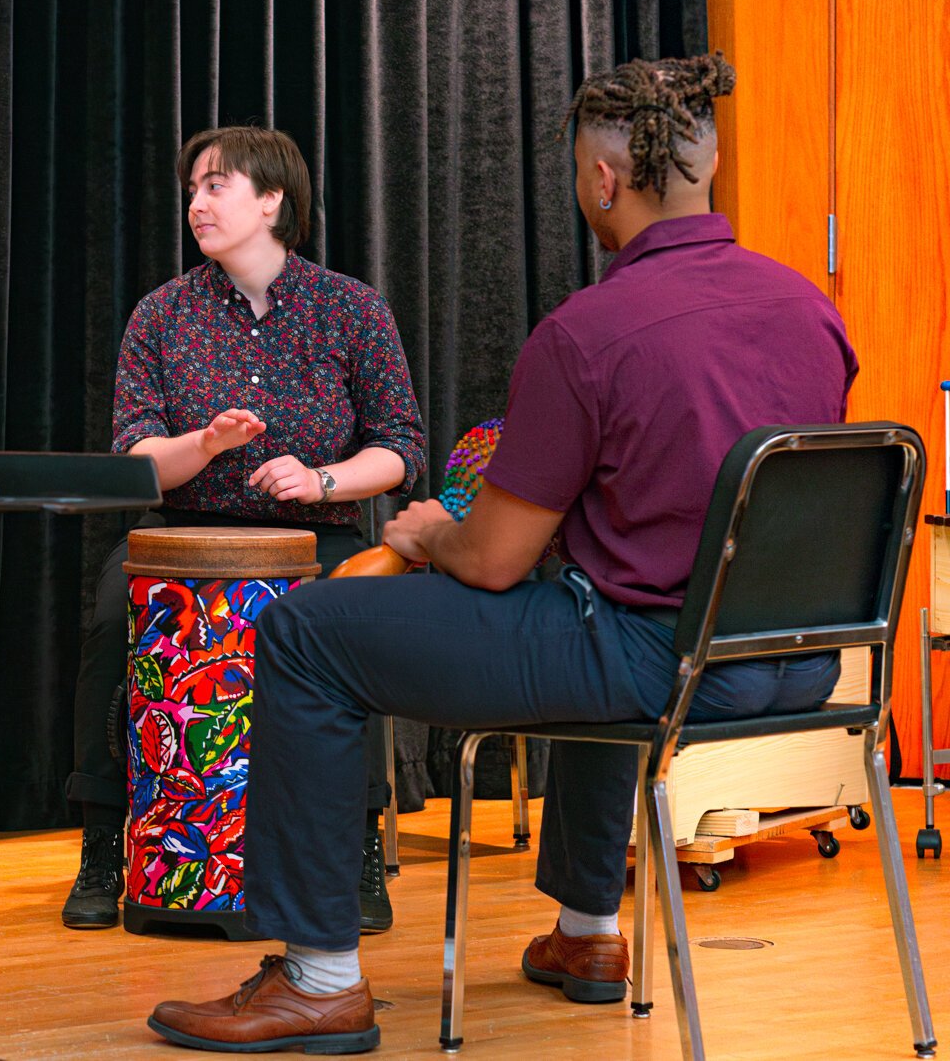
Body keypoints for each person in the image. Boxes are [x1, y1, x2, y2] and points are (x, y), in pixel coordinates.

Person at [148, 53, 858, 1053]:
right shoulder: (809, 311)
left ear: (601, 180)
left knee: (307, 632)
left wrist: (426, 531)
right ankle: (589, 933)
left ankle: (315, 977)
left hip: (657, 659)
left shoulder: (589, 332)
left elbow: (488, 560)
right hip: (794, 664)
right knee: (590, 587)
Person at [62, 126, 426, 932]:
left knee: (351, 623)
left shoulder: (351, 308)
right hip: (185, 531)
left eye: (217, 185)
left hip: (314, 535)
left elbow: (401, 447)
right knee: (108, 621)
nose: (196, 203)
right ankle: (100, 850)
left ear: (272, 201)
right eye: (192, 188)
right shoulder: (162, 315)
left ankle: (359, 850)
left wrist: (319, 479)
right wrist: (208, 444)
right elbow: (138, 461)